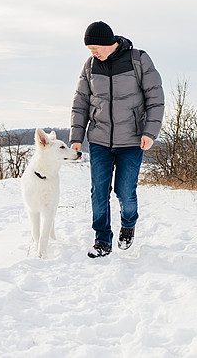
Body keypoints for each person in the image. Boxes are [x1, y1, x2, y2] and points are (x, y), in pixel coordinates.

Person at [70, 21, 165, 258]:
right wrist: (76, 138)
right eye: (89, 49)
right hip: (100, 141)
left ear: (108, 42)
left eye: (95, 48)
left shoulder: (138, 60)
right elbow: (80, 102)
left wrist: (149, 133)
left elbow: (155, 97)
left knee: (125, 192)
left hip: (132, 141)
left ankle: (128, 223)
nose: (93, 53)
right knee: (99, 192)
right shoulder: (90, 66)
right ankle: (102, 239)